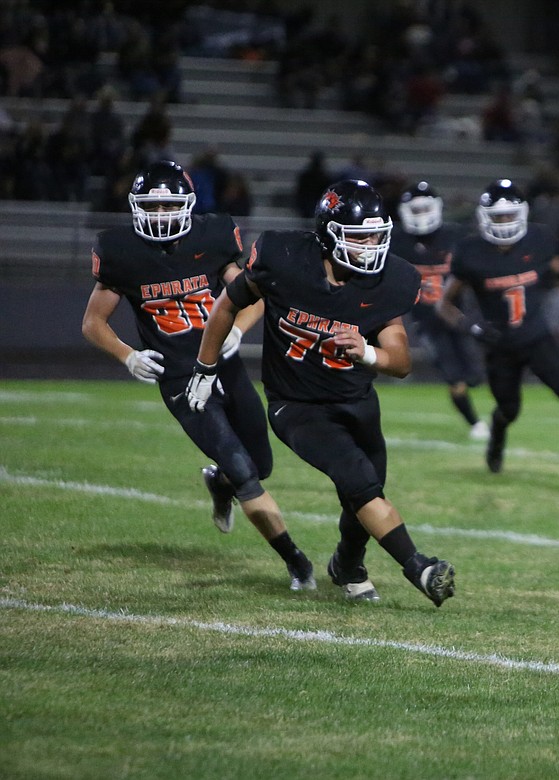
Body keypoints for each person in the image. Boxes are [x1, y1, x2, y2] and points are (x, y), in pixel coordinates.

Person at [186, 179, 455, 607]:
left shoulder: (392, 279)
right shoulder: (284, 256)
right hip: (297, 404)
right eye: (358, 236)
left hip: (356, 400)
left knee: (366, 494)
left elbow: (401, 362)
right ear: (329, 234)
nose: (370, 247)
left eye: (376, 236)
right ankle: (418, 566)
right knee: (360, 482)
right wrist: (205, 364)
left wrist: (368, 352)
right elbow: (227, 303)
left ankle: (348, 566)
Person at [80, 159, 315, 592]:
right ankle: (296, 561)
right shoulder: (122, 253)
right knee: (246, 471)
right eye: (150, 207)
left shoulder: (212, 236)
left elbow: (256, 293)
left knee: (261, 465)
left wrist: (239, 330)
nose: (160, 216)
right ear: (135, 208)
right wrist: (127, 355)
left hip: (223, 365)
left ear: (188, 205)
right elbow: (93, 323)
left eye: (169, 206)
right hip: (180, 380)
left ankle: (219, 482)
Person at [437, 179, 559, 501]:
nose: (504, 222)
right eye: (497, 217)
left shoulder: (539, 240)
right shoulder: (471, 251)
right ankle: (497, 433)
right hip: (500, 346)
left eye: (509, 215)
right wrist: (471, 326)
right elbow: (445, 304)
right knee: (509, 411)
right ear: (485, 217)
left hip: (538, 338)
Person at [389, 180, 488, 440]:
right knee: (453, 376)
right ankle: (475, 423)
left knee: (475, 375)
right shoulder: (397, 242)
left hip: (456, 315)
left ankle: (475, 409)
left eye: (425, 209)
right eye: (416, 210)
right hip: (426, 321)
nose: (421, 216)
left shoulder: (455, 237)